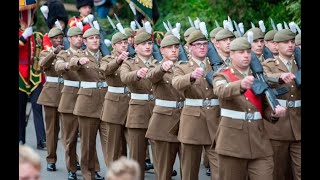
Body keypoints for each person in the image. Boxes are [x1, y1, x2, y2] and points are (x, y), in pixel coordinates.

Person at [212, 37, 287, 180]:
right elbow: (221, 90)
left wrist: (274, 113)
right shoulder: (222, 74)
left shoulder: (259, 76)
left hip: (259, 141)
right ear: (231, 54)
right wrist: (240, 85)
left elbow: (263, 107)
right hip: (232, 142)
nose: (246, 55)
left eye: (248, 52)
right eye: (241, 52)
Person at [172, 30, 220, 180]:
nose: (202, 47)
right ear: (189, 47)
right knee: (190, 168)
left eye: (205, 44)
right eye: (198, 44)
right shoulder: (183, 67)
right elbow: (176, 82)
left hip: (214, 118)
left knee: (219, 166)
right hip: (193, 121)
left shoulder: (216, 65)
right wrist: (191, 76)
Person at [262, 29, 301, 180]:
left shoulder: (299, 64)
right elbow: (265, 77)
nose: (290, 45)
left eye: (292, 42)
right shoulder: (269, 65)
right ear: (276, 45)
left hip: (297, 125)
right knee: (278, 172)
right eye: (285, 42)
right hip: (278, 127)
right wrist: (280, 76)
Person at [69, 28, 107, 180]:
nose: (95, 40)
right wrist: (78, 61)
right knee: (88, 143)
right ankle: (87, 174)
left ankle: (114, 173)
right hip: (87, 105)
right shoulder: (80, 55)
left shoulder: (105, 56)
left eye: (97, 37)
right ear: (85, 42)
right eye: (91, 38)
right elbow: (72, 64)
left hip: (105, 103)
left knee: (110, 143)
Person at [145, 34, 184, 180]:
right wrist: (162, 68)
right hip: (164, 122)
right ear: (161, 50)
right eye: (169, 48)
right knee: (164, 170)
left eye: (176, 47)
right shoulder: (155, 66)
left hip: (185, 119)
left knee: (187, 168)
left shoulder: (184, 67)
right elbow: (151, 76)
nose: (174, 50)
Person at [120, 30, 157, 180]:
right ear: (135, 47)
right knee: (137, 155)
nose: (147, 46)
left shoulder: (159, 63)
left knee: (160, 154)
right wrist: (136, 74)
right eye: (143, 44)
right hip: (138, 112)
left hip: (157, 111)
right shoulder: (129, 63)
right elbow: (124, 77)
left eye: (149, 43)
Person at [55, 26, 84, 180]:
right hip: (70, 99)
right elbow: (58, 66)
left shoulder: (89, 54)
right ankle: (72, 168)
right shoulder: (64, 54)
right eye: (76, 36)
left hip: (87, 99)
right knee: (70, 138)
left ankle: (92, 169)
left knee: (88, 138)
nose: (79, 38)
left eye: (81, 36)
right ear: (70, 39)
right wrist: (68, 64)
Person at [19, 0, 46, 150]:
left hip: (35, 77)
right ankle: (20, 137)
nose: (25, 19)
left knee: (37, 108)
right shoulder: (20, 34)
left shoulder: (38, 36)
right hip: (20, 77)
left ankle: (41, 140)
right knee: (20, 109)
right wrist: (23, 37)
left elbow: (45, 52)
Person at [99, 31, 130, 166]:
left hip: (130, 102)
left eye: (125, 43)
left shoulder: (132, 59)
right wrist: (118, 61)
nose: (123, 45)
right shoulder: (107, 59)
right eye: (120, 43)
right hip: (114, 104)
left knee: (126, 145)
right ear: (113, 45)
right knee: (113, 144)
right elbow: (106, 70)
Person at [37, 27, 65, 172]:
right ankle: (51, 159)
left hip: (67, 94)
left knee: (70, 131)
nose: (59, 40)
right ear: (51, 40)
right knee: (52, 130)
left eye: (61, 37)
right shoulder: (46, 52)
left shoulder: (68, 53)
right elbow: (42, 64)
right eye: (55, 38)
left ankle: (73, 161)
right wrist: (54, 53)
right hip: (51, 95)